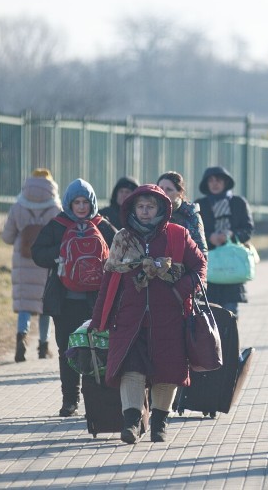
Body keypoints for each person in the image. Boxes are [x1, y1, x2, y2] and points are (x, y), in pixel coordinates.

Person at [89, 184, 206, 444]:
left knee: (168, 372)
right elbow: (109, 279)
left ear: (161, 208)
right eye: (140, 206)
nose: (144, 211)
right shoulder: (122, 238)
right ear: (132, 208)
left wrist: (180, 290)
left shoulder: (178, 234)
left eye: (150, 206)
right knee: (130, 369)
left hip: (170, 319)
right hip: (130, 319)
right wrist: (99, 319)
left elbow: (199, 266)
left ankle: (159, 424)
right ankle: (130, 424)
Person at [31, 178, 116, 417]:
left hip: (96, 302)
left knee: (97, 349)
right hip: (64, 302)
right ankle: (70, 400)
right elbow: (36, 253)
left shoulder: (102, 225)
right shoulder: (57, 225)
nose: (81, 207)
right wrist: (59, 253)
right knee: (67, 351)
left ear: (92, 203)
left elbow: (121, 248)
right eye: (76, 202)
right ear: (69, 203)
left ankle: (94, 400)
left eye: (85, 202)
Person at [1, 168, 61, 362]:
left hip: (23, 261)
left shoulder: (18, 205)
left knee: (25, 306)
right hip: (45, 262)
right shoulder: (55, 207)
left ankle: (21, 338)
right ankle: (43, 347)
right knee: (45, 308)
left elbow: (7, 236)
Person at [196, 166, 254, 315]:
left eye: (219, 180)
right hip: (208, 265)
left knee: (230, 314)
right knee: (209, 313)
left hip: (232, 265)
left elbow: (248, 229)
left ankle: (229, 339)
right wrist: (209, 237)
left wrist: (231, 235)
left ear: (226, 182)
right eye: (211, 180)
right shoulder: (199, 205)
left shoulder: (238, 202)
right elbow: (193, 231)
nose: (215, 184)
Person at [157, 171, 208, 254]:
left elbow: (201, 251)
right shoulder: (150, 212)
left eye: (169, 189)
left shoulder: (191, 215)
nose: (163, 192)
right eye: (161, 189)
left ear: (179, 193)